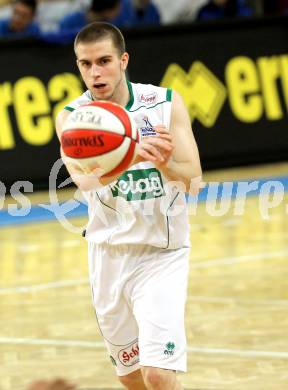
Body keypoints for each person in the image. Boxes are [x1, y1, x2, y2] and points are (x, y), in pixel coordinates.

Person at [56, 22, 202, 389]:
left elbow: (193, 180)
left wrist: (163, 161)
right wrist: (131, 155)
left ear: (123, 61)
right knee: (132, 378)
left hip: (161, 252)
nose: (95, 71)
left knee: (157, 373)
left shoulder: (164, 104)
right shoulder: (73, 118)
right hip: (107, 254)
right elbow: (85, 180)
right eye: (85, 64)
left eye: (104, 60)